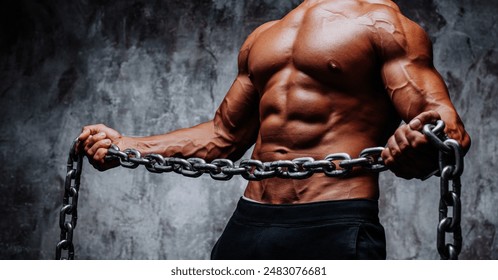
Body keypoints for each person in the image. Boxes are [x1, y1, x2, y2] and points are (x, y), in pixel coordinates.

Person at [78, 0, 470, 259]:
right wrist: (127, 145)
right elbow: (222, 137)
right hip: (251, 220)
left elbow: (444, 126)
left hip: (333, 219)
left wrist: (420, 141)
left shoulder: (384, 24)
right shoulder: (265, 37)